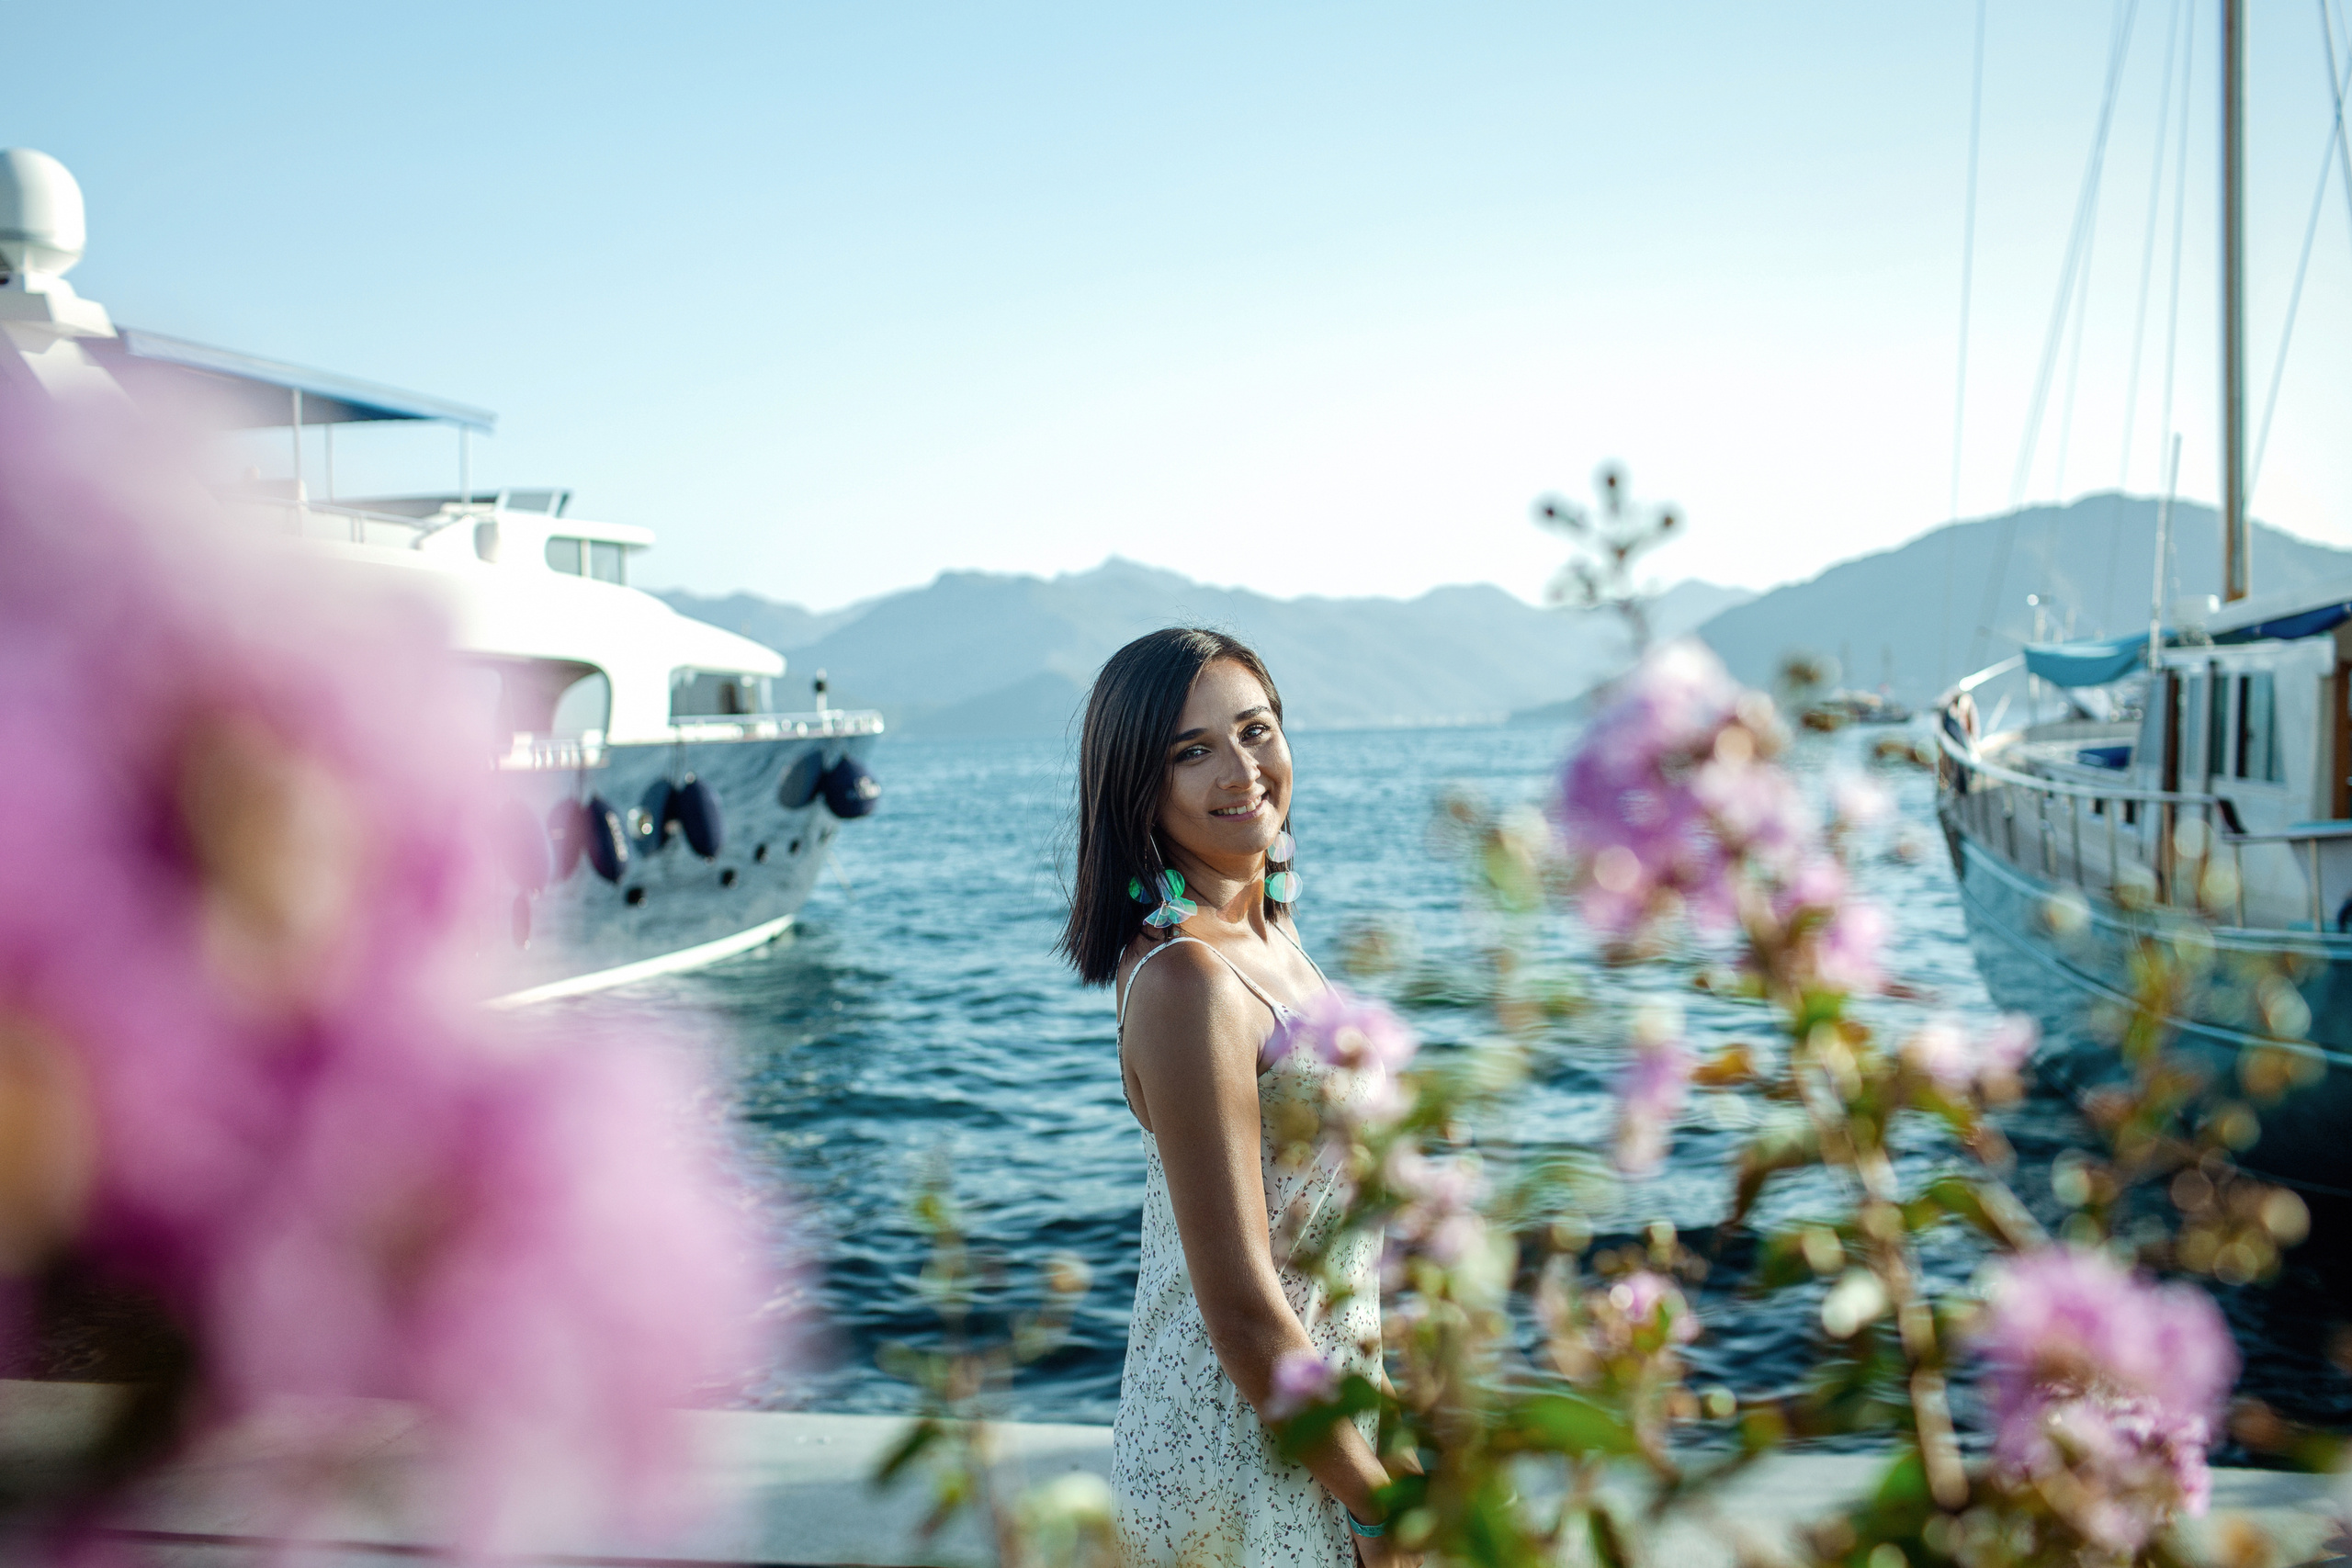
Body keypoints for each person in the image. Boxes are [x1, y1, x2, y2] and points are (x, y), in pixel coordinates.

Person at [1060, 627, 1417, 1568]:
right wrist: (1377, 1508)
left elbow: (1335, 1245)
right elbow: (1241, 1306)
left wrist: (1392, 1432)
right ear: (1141, 783)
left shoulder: (1276, 938)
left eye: (1255, 731)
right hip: (1232, 1454)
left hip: (1323, 1429)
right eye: (1193, 751)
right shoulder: (1189, 983)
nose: (1241, 770)